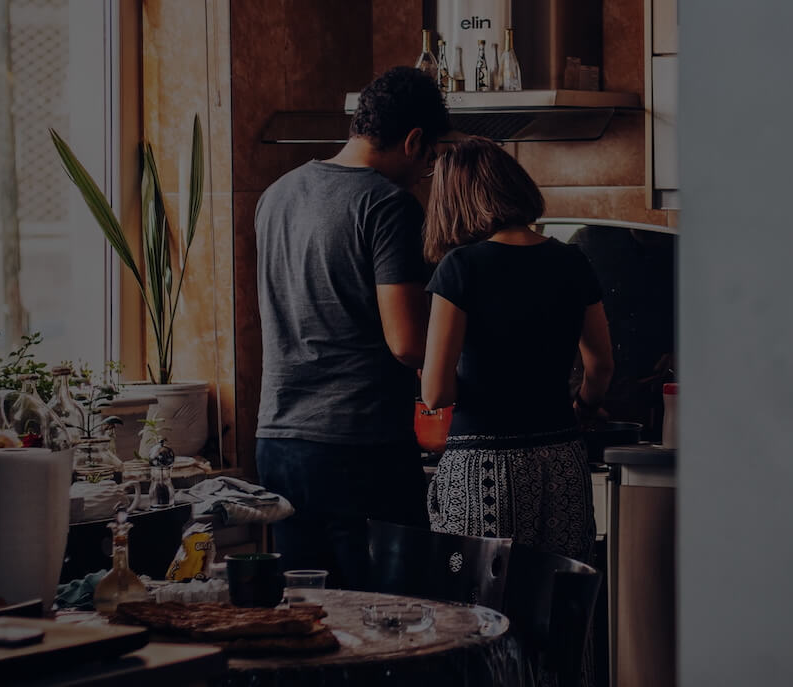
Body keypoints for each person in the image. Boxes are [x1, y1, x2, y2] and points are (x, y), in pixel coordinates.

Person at [254, 66, 449, 586]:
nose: (425, 172)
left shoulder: (276, 195)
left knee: (309, 618)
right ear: (413, 140)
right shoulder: (388, 205)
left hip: (278, 440)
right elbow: (408, 344)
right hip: (358, 447)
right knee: (390, 621)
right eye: (429, 159)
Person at [420, 137, 615, 563]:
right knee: (558, 604)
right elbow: (600, 365)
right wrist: (582, 410)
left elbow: (436, 394)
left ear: (454, 201)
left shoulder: (461, 267)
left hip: (483, 468)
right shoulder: (572, 260)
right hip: (562, 459)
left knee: (480, 614)